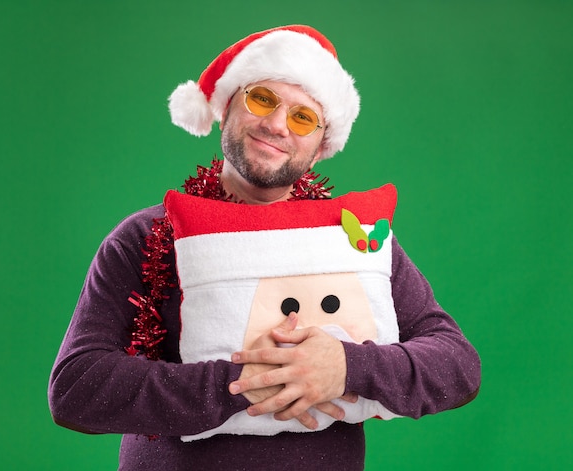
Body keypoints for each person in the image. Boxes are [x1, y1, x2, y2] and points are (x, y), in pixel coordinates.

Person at [48, 25, 481, 470]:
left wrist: (346, 367)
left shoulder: (354, 241)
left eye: (302, 117)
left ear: (319, 150)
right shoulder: (146, 237)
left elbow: (457, 365)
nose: (276, 125)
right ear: (225, 108)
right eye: (262, 99)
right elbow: (76, 387)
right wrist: (238, 384)